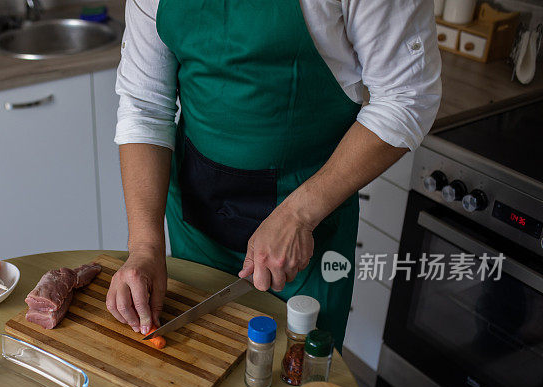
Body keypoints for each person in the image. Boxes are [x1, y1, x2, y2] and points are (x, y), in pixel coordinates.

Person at [105, 0, 441, 350]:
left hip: (309, 224)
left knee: (295, 374)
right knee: (193, 361)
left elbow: (408, 98)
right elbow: (144, 106)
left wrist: (299, 213)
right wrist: (145, 247)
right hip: (195, 218)